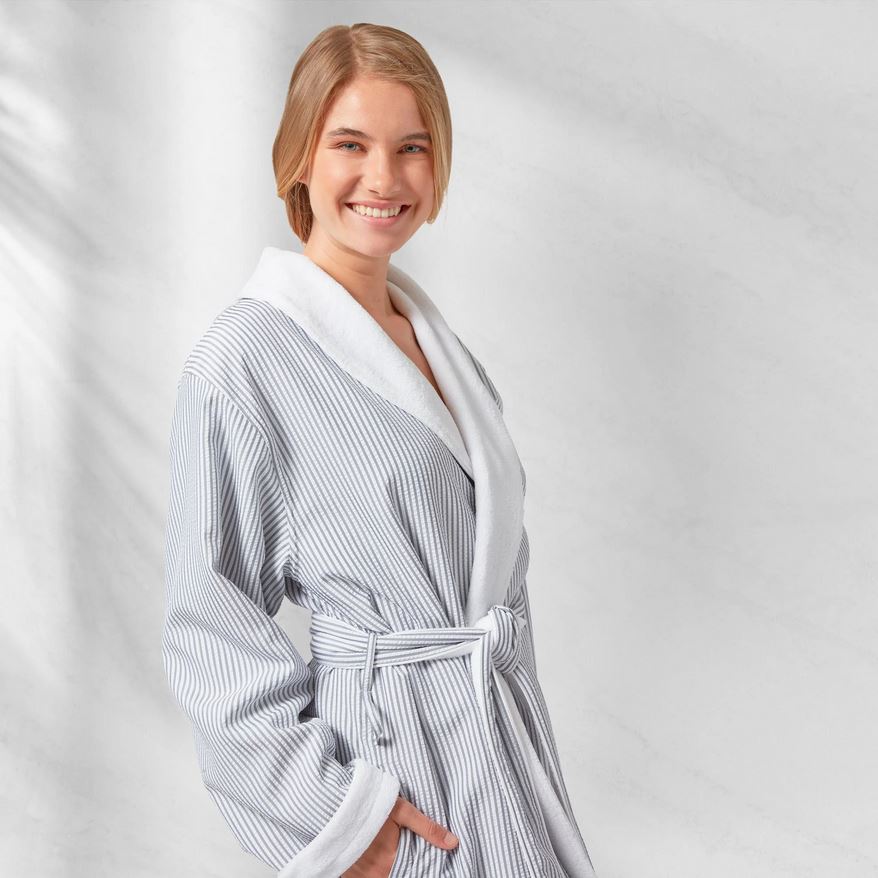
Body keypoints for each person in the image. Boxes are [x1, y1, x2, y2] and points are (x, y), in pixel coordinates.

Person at [162, 22, 598, 878]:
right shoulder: (242, 359)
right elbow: (207, 616)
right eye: (350, 144)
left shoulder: (436, 345)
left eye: (412, 147)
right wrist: (336, 815)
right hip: (394, 772)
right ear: (299, 156)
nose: (384, 178)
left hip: (499, 754)